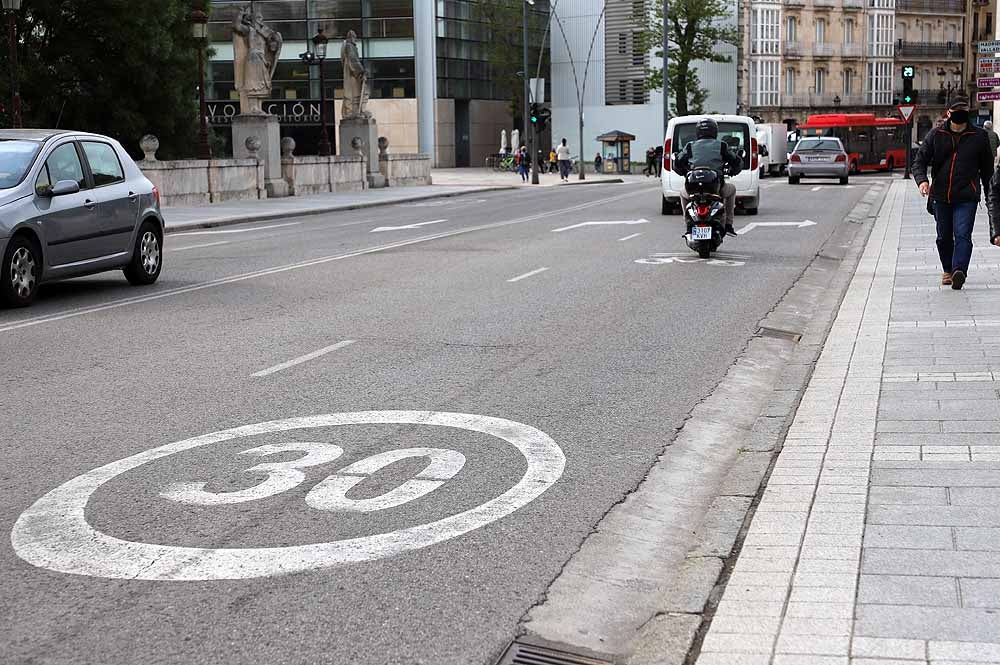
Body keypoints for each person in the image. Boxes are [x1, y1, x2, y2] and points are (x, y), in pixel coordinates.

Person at [913, 98, 994, 290]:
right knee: (943, 237)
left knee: (963, 234)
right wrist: (922, 180)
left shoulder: (979, 136)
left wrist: (992, 198)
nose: (960, 114)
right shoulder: (936, 134)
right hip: (941, 196)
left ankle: (959, 271)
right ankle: (948, 269)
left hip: (967, 196)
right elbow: (920, 161)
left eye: (964, 110)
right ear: (948, 113)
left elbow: (988, 171)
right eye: (957, 110)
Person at [674, 118, 743, 236]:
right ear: (714, 131)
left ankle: (688, 224)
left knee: (682, 193)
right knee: (731, 190)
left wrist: (683, 172)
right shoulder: (722, 145)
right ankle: (728, 225)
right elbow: (736, 161)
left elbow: (678, 163)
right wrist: (733, 171)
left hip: (693, 188)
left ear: (698, 132)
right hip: (716, 187)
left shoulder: (690, 146)